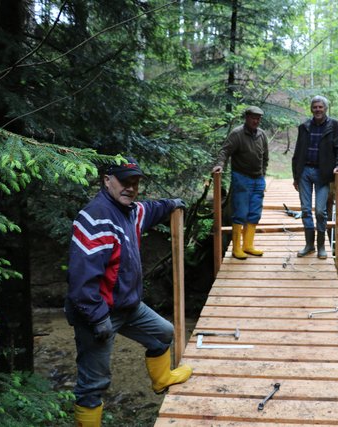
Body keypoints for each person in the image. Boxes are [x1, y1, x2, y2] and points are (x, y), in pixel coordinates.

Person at [65, 157, 192, 427]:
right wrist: (97, 318)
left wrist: (172, 204)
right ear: (107, 180)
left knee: (162, 333)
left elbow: (151, 209)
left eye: (134, 183)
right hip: (96, 313)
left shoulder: (130, 211)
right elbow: (81, 280)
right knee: (94, 383)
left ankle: (161, 380)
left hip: (127, 307)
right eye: (125, 182)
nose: (131, 188)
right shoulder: (95, 218)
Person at [292, 95, 338, 259]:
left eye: (320, 107)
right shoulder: (304, 126)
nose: (317, 109)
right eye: (315, 107)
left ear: (325, 109)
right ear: (311, 109)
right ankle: (309, 245)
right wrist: (296, 175)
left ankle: (321, 246)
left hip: (323, 173)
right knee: (305, 210)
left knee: (321, 211)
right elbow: (298, 152)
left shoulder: (335, 126)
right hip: (304, 172)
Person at [213, 106, 269, 259]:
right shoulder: (237, 134)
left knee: (255, 213)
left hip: (258, 179)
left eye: (258, 119)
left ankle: (248, 245)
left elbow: (266, 157)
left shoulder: (262, 135)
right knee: (241, 213)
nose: (255, 121)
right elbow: (225, 151)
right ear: (247, 118)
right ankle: (236, 248)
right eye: (253, 118)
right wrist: (220, 165)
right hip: (241, 178)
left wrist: (263, 174)